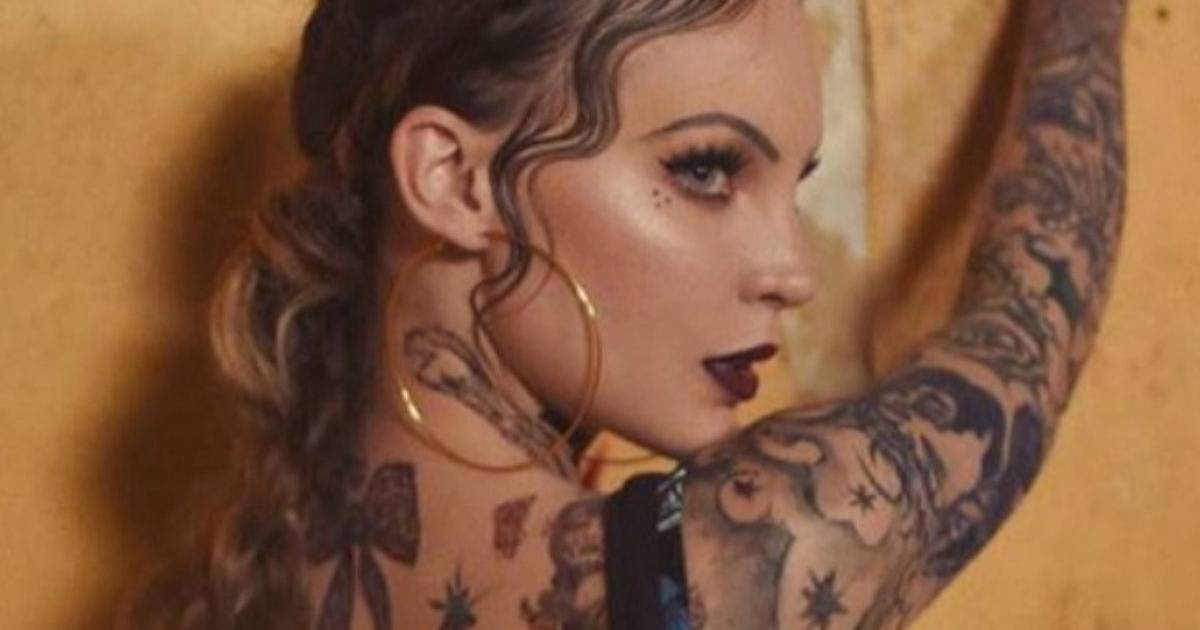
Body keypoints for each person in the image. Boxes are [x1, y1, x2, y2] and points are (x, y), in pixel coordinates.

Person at [126, 0, 1128, 628]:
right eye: (707, 170)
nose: (792, 273)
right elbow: (1027, 327)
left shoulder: (244, 581)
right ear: (455, 179)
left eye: (795, 186)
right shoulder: (744, 562)